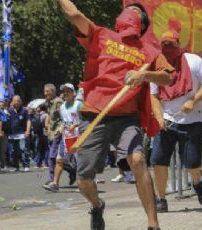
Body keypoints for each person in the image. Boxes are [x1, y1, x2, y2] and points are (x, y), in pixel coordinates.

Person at [57, 1, 174, 229]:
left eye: (136, 11)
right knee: (84, 179)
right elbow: (73, 13)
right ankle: (96, 204)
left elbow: (168, 77)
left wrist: (144, 76)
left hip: (127, 119)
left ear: (141, 24)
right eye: (127, 9)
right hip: (94, 115)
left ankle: (153, 224)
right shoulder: (100, 35)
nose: (130, 11)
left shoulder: (149, 51)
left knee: (138, 160)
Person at [150, 30, 202, 212]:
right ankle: (161, 199)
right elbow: (153, 95)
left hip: (191, 120)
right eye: (164, 45)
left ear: (178, 44)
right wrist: (159, 117)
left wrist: (193, 101)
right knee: (158, 161)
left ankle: (197, 183)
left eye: (171, 44)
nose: (167, 48)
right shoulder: (157, 65)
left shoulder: (194, 61)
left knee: (192, 164)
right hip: (167, 121)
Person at [43, 83, 81, 192]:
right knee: (59, 160)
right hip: (67, 137)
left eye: (68, 91)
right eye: (64, 91)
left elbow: (86, 120)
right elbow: (64, 121)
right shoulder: (63, 106)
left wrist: (76, 125)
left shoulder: (79, 105)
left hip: (78, 137)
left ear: (73, 93)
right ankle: (55, 184)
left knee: (79, 161)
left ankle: (81, 184)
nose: (66, 93)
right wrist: (61, 128)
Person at [8, 95, 32, 172]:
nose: (16, 102)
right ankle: (16, 166)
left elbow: (28, 121)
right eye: (15, 100)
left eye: (18, 101)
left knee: (23, 149)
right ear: (12, 102)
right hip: (12, 134)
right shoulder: (10, 110)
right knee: (13, 151)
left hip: (22, 133)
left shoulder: (24, 110)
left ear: (20, 101)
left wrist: (27, 131)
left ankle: (26, 165)